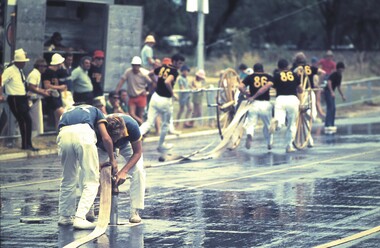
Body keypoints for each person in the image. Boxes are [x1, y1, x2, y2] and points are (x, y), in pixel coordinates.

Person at [57, 104, 116, 229]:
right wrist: (112, 159)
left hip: (63, 134)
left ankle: (65, 217)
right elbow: (106, 138)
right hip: (83, 132)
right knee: (91, 179)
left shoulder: (68, 111)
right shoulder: (96, 110)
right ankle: (80, 217)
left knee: (68, 178)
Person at [97, 114, 146, 223]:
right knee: (88, 171)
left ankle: (135, 210)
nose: (115, 142)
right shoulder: (99, 127)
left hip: (125, 145)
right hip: (103, 146)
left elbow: (137, 153)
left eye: (117, 138)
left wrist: (124, 171)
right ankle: (88, 209)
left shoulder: (132, 126)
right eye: (113, 139)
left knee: (139, 170)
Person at [0, 49, 49, 151]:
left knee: (26, 121)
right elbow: (1, 82)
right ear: (18, 61)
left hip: (22, 97)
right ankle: (26, 145)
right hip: (14, 97)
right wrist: (1, 94)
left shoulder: (19, 70)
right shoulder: (10, 70)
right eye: (23, 61)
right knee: (24, 120)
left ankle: (27, 144)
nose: (24, 63)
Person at [140, 53, 185, 152]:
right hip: (165, 100)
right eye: (179, 63)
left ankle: (134, 137)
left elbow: (150, 74)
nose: (180, 65)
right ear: (174, 61)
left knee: (149, 122)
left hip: (155, 97)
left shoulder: (163, 67)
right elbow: (167, 82)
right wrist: (173, 94)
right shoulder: (174, 72)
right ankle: (161, 145)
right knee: (165, 124)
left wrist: (154, 83)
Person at [291, 52, 326, 147]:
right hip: (308, 92)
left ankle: (308, 139)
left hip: (298, 94)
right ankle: (309, 139)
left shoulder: (293, 69)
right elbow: (322, 72)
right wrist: (317, 82)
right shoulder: (310, 67)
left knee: (300, 120)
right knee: (309, 118)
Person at [238, 63, 274, 150]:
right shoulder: (268, 76)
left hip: (253, 103)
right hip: (265, 103)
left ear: (254, 69)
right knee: (268, 125)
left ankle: (250, 134)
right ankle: (269, 142)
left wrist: (245, 93)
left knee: (251, 123)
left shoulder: (250, 77)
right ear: (263, 69)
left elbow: (240, 86)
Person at [115, 56, 151, 125]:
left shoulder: (144, 73)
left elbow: (151, 83)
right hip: (132, 96)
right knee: (132, 114)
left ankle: (141, 130)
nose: (135, 67)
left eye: (137, 66)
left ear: (139, 66)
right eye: (134, 65)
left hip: (141, 96)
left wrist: (147, 91)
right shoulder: (128, 72)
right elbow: (122, 81)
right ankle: (142, 124)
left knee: (140, 114)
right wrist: (116, 91)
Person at [42, 53, 67, 129]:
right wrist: (60, 87)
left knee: (58, 119)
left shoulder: (57, 72)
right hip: (52, 97)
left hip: (57, 97)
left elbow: (66, 74)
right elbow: (47, 85)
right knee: (62, 115)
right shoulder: (48, 72)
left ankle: (58, 134)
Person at [27, 58, 51, 137]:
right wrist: (43, 92)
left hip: (35, 99)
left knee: (36, 120)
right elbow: (31, 87)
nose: (45, 68)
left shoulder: (37, 74)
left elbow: (35, 87)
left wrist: (44, 91)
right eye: (44, 66)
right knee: (34, 120)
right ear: (39, 66)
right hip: (31, 99)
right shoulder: (34, 74)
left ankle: (33, 136)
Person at [324, 62, 346, 133]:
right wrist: (331, 92)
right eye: (341, 69)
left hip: (331, 92)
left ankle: (332, 124)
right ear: (338, 69)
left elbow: (338, 86)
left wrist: (342, 95)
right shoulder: (334, 74)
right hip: (327, 91)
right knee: (330, 108)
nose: (342, 71)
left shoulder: (340, 76)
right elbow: (329, 82)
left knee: (333, 108)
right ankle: (327, 124)